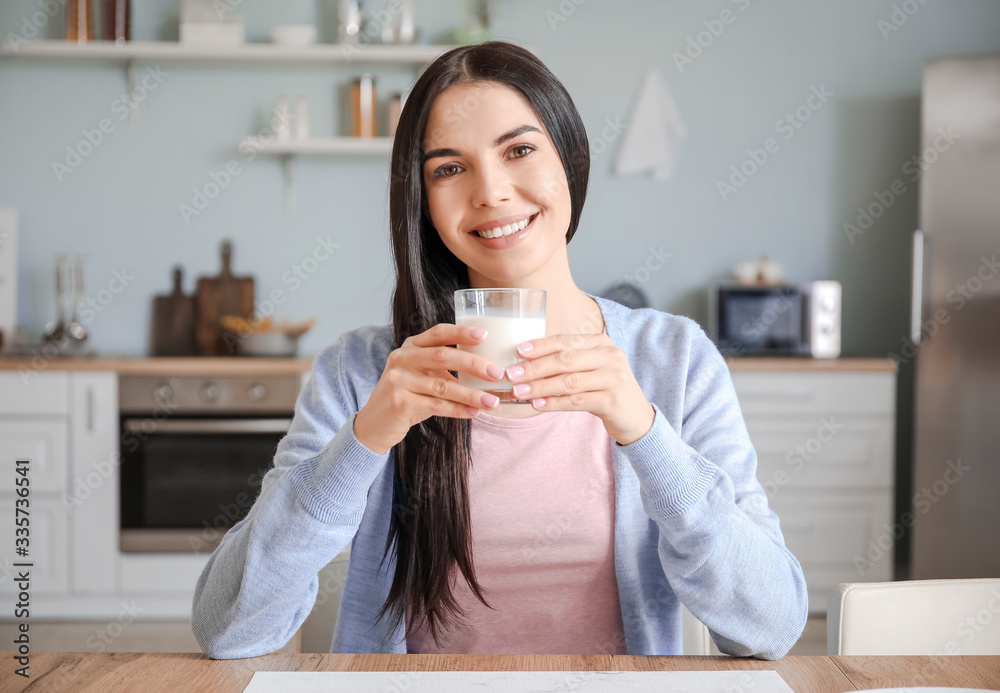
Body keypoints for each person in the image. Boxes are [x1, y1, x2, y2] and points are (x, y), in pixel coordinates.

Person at [192, 40, 808, 659]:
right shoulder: (362, 374)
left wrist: (644, 433)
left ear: (567, 157)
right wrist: (366, 438)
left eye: (518, 150)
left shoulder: (674, 361)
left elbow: (770, 626)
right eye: (449, 168)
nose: (491, 192)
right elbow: (229, 629)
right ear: (423, 202)